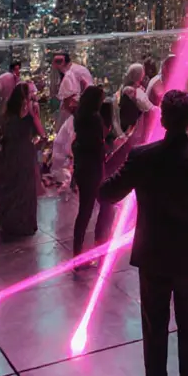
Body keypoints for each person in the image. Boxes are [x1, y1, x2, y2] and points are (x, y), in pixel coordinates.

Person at [100, 90, 188, 376]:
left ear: (163, 119)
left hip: (153, 255)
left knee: (154, 326)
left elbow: (107, 193)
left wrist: (115, 155)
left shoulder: (142, 157)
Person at [0, 82, 44, 238]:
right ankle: (11, 225)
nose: (30, 101)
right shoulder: (9, 116)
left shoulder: (29, 116)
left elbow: (42, 134)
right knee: (13, 189)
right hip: (12, 156)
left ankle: (25, 224)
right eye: (28, 97)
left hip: (25, 155)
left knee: (26, 190)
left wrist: (35, 117)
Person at [72, 85, 115, 264]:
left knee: (84, 211)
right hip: (94, 169)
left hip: (82, 168)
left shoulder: (79, 117)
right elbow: (99, 144)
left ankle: (78, 251)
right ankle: (99, 245)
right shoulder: (95, 118)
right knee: (104, 205)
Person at [52, 51, 94, 129]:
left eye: (58, 62)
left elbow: (69, 98)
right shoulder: (73, 70)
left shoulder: (69, 74)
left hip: (80, 107)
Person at [117, 63, 155, 138]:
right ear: (140, 75)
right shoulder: (130, 90)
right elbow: (145, 106)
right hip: (132, 128)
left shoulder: (130, 88)